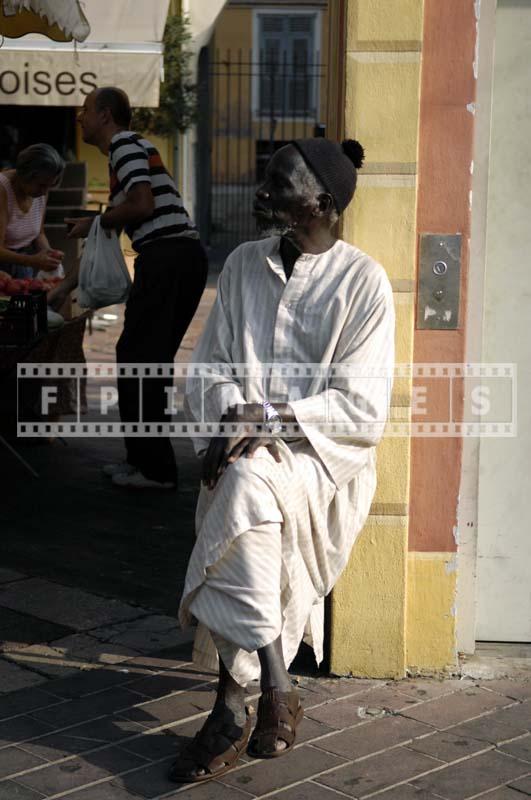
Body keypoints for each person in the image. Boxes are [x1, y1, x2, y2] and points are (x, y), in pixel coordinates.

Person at [171, 138, 395, 783]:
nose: (261, 195)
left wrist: (265, 420)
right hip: (246, 447)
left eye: (278, 185)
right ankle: (266, 688)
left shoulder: (364, 282)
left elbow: (360, 406)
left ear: (323, 203)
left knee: (241, 490)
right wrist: (233, 415)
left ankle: (235, 699)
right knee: (245, 490)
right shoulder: (243, 264)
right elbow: (210, 367)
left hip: (320, 455)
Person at [56, 87, 208, 490]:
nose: (79, 118)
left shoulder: (123, 145)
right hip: (177, 259)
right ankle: (142, 460)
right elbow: (132, 210)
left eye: (85, 110)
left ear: (105, 115)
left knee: (142, 358)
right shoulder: (129, 150)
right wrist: (94, 224)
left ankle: (156, 470)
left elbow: (142, 206)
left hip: (168, 259)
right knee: (143, 357)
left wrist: (100, 221)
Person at [0, 143, 65, 278]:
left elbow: (39, 234)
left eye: (50, 186)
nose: (45, 192)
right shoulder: (3, 190)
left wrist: (49, 254)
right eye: (41, 185)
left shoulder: (41, 189)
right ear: (24, 175)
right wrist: (33, 261)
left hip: (24, 266)